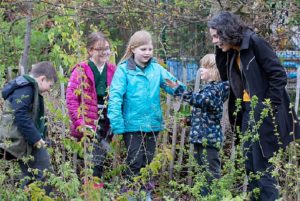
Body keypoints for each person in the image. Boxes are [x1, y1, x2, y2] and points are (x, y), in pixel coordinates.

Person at [208, 11, 300, 201]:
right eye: (213, 37)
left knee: (262, 168)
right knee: (250, 165)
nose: (214, 41)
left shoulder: (255, 43)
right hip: (247, 112)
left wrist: (268, 108)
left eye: (217, 36)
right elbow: (227, 78)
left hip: (264, 112)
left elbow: (278, 75)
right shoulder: (233, 50)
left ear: (227, 31)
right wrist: (220, 49)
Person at [107, 30, 185, 192]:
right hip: (132, 126)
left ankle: (145, 193)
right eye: (143, 49)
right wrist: (117, 124)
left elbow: (172, 84)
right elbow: (115, 98)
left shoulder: (156, 69)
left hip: (152, 124)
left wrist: (182, 91)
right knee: (134, 162)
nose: (147, 53)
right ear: (133, 49)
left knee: (148, 162)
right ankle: (130, 193)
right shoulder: (123, 70)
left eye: (150, 49)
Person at [1, 61, 58, 195]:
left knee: (31, 177)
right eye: (49, 85)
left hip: (26, 140)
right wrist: (37, 138)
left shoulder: (28, 87)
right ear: (42, 78)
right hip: (23, 140)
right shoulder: (26, 88)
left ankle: (25, 196)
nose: (49, 90)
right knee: (45, 175)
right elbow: (20, 115)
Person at [66, 32, 116, 182]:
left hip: (106, 121)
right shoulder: (81, 70)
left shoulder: (113, 70)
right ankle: (91, 190)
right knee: (92, 160)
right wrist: (81, 124)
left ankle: (92, 189)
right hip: (88, 122)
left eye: (106, 48)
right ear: (90, 51)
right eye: (99, 49)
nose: (104, 52)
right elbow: (72, 100)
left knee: (98, 159)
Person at [182, 54, 229, 196]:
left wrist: (180, 91)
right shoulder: (209, 88)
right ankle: (205, 197)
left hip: (209, 140)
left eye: (204, 67)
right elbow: (206, 112)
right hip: (201, 138)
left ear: (215, 70)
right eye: (200, 67)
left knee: (211, 174)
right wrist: (190, 120)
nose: (200, 70)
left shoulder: (216, 90)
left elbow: (202, 100)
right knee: (203, 173)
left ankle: (215, 198)